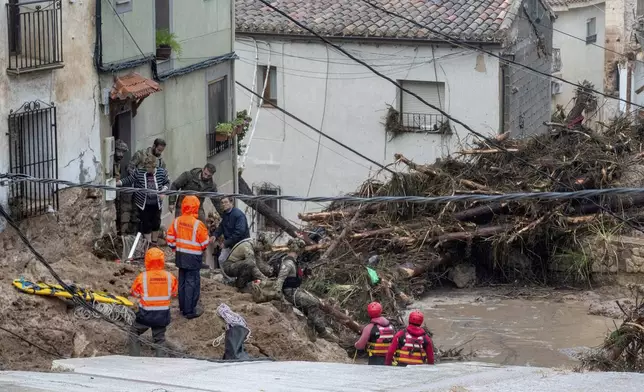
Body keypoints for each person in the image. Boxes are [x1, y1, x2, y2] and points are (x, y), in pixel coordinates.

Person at [273, 238, 338, 342]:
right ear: (299, 249)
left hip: (295, 290)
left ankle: (318, 330)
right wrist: (279, 296)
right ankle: (315, 330)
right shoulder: (288, 263)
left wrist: (304, 273)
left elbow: (293, 277)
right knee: (313, 303)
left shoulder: (292, 261)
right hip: (290, 293)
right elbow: (280, 279)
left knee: (316, 302)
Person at [166, 195, 210, 319]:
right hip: (194, 257)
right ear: (196, 207)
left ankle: (183, 307)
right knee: (192, 282)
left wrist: (176, 248)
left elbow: (169, 239)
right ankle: (190, 311)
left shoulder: (177, 221)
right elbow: (205, 243)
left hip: (180, 256)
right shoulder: (198, 224)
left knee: (182, 282)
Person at [128, 247, 178, 357]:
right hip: (162, 315)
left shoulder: (142, 277)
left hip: (146, 315)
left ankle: (134, 358)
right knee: (160, 339)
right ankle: (160, 363)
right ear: (162, 260)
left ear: (147, 261)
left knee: (133, 332)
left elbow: (134, 293)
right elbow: (174, 293)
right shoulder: (170, 277)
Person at [213, 196, 267, 288]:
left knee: (245, 264)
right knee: (222, 259)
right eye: (222, 203)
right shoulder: (225, 215)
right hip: (230, 243)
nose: (224, 204)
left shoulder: (238, 215)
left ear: (231, 203)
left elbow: (239, 232)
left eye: (225, 202)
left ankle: (243, 282)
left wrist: (226, 242)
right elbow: (222, 227)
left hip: (240, 244)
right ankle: (230, 280)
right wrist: (215, 235)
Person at [117, 154, 170, 245]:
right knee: (146, 224)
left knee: (156, 223)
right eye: (146, 167)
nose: (147, 169)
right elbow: (130, 179)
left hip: (157, 203)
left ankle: (154, 242)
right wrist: (119, 183)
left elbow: (167, 182)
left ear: (154, 166)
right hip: (144, 203)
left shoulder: (161, 172)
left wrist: (163, 191)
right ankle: (148, 244)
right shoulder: (140, 172)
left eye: (149, 167)